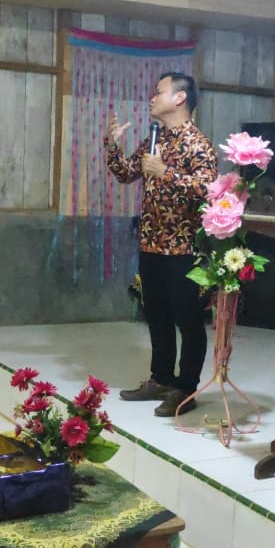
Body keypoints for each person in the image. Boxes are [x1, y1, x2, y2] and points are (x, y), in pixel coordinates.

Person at [105, 72, 217, 417]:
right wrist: (113, 145)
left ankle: (186, 388)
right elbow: (126, 173)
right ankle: (162, 379)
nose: (152, 98)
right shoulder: (154, 139)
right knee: (156, 315)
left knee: (187, 319)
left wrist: (165, 172)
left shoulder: (198, 143)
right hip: (151, 243)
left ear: (180, 98)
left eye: (159, 92)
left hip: (184, 248)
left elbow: (209, 190)